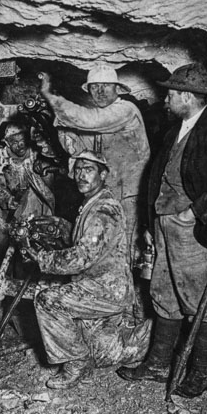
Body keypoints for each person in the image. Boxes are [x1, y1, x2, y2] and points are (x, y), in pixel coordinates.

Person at [116, 63, 207, 398]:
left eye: (172, 93)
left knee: (197, 301)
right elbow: (158, 178)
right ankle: (159, 364)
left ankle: (201, 374)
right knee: (164, 295)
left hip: (192, 233)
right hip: (164, 224)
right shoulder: (174, 129)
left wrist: (193, 214)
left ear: (187, 97)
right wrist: (150, 223)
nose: (166, 98)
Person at [23, 150, 137, 389]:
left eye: (89, 170)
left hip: (106, 290)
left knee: (47, 300)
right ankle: (92, 343)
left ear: (103, 174)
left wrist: (44, 259)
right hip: (98, 285)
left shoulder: (104, 210)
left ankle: (76, 362)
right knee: (101, 346)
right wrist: (60, 227)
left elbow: (83, 256)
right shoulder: (91, 203)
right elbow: (87, 243)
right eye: (78, 170)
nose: (81, 175)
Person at [39, 65, 150, 267]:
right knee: (101, 249)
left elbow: (88, 120)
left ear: (117, 88)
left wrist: (51, 97)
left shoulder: (125, 110)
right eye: (94, 86)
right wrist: (60, 127)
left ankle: (126, 294)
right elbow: (81, 151)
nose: (99, 91)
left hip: (130, 195)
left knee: (126, 250)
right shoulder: (99, 120)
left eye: (106, 86)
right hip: (106, 193)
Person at [0, 121, 55, 222]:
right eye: (14, 142)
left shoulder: (37, 154)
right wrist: (8, 200)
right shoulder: (1, 160)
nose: (20, 145)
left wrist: (44, 166)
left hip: (39, 205)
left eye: (22, 140)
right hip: (13, 213)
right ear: (7, 143)